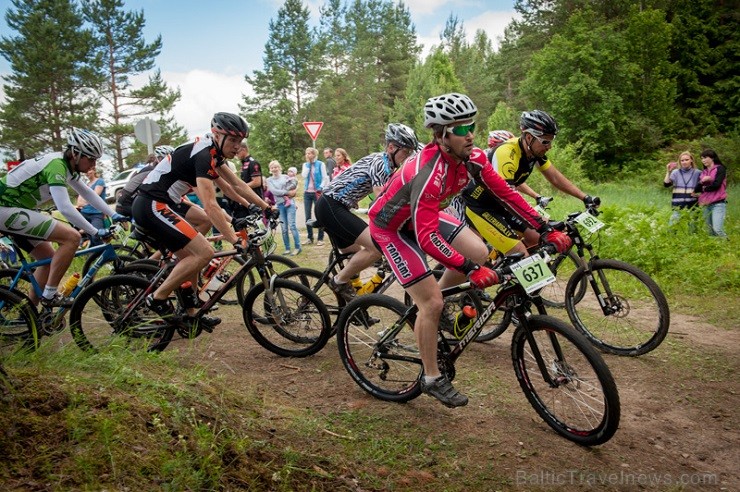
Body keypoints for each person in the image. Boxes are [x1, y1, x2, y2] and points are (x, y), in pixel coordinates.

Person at [368, 93, 571, 408]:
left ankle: (440, 300)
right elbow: (425, 237)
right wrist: (471, 270)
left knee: (480, 252)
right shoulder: (427, 171)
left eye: (471, 125)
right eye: (461, 129)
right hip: (393, 228)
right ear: (441, 134)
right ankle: (431, 376)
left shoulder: (472, 157)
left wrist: (544, 227)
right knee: (432, 302)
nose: (471, 134)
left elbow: (505, 193)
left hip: (425, 216)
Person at [132, 113, 273, 327]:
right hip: (152, 204)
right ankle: (157, 297)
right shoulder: (204, 155)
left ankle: (190, 314)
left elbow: (235, 185)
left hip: (164, 203)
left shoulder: (213, 152)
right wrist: (233, 239)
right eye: (233, 140)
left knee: (193, 257)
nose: (237, 146)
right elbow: (210, 204)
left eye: (240, 141)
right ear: (217, 135)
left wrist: (265, 207)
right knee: (205, 252)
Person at [0, 128, 127, 306]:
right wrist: (94, 231)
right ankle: (50, 296)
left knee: (49, 260)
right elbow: (65, 207)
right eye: (91, 159)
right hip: (5, 208)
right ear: (76, 153)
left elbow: (88, 193)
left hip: (13, 210)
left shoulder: (67, 166)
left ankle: (31, 311)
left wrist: (114, 214)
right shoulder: (56, 165)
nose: (94, 165)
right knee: (72, 238)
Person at [456, 110, 596, 256]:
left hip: (502, 205)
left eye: (551, 141)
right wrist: (540, 220)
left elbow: (555, 177)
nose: (549, 146)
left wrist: (584, 197)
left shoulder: (534, 152)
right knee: (520, 253)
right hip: (481, 206)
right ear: (529, 137)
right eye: (545, 141)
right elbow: (508, 196)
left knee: (537, 239)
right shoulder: (507, 154)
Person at [315, 123, 418, 302]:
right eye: (405, 151)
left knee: (355, 254)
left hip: (336, 206)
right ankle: (338, 281)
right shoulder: (382, 164)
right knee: (376, 247)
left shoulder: (387, 163)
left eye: (411, 152)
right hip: (331, 206)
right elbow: (383, 201)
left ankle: (353, 306)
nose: (408, 156)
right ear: (391, 147)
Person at [116, 146, 174, 217]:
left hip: (125, 200)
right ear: (158, 159)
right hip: (126, 203)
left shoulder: (148, 168)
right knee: (153, 218)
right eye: (165, 160)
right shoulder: (153, 171)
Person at [266, 160, 301, 255]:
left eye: (276, 167)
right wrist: (287, 192)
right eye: (272, 167)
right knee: (284, 228)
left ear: (279, 167)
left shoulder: (286, 177)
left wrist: (292, 192)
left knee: (292, 226)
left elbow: (294, 186)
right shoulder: (269, 180)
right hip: (280, 205)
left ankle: (298, 247)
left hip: (290, 204)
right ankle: (287, 248)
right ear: (270, 169)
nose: (274, 169)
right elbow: (274, 191)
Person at [663, 151, 701, 230]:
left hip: (693, 205)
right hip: (678, 205)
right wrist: (668, 171)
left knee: (693, 229)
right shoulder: (675, 172)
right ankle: (672, 242)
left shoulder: (698, 172)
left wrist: (700, 195)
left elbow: (704, 188)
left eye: (686, 160)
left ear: (691, 160)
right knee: (671, 227)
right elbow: (666, 184)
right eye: (682, 160)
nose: (684, 162)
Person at [696, 149, 728, 237]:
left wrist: (704, 187)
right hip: (705, 204)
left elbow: (717, 185)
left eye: (705, 157)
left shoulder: (720, 168)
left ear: (712, 158)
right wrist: (702, 181)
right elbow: (697, 189)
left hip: (718, 203)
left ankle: (727, 245)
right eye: (702, 158)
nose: (703, 160)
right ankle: (717, 248)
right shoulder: (704, 172)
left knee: (717, 229)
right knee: (710, 231)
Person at [301, 147, 328, 246]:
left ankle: (320, 238)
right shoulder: (305, 165)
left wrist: (320, 187)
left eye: (310, 153)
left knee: (319, 214)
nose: (308, 155)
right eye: (306, 153)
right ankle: (309, 237)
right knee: (307, 215)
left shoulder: (321, 164)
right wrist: (308, 165)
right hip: (307, 193)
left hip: (317, 192)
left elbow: (325, 178)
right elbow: (304, 176)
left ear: (314, 154)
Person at [230, 143, 263, 221]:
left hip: (255, 197)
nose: (236, 155)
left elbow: (257, 182)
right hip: (246, 199)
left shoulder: (253, 162)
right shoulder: (244, 163)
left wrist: (240, 188)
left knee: (257, 222)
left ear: (244, 150)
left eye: (237, 152)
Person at [76, 167, 107, 246]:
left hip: (97, 213)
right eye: (86, 171)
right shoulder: (86, 185)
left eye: (89, 170)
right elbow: (79, 202)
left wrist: (85, 201)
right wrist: (86, 202)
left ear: (94, 171)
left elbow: (94, 196)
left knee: (96, 236)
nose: (87, 172)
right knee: (88, 235)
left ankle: (103, 253)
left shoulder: (100, 181)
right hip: (84, 213)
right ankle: (93, 254)